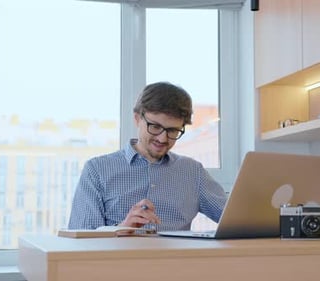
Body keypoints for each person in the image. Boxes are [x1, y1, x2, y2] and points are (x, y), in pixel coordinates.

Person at [68, 81, 227, 232]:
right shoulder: (97, 170)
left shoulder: (193, 172)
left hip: (176, 260)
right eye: (155, 127)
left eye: (172, 131)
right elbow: (81, 239)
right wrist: (122, 229)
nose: (162, 138)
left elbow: (236, 220)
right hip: (118, 260)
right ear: (137, 118)